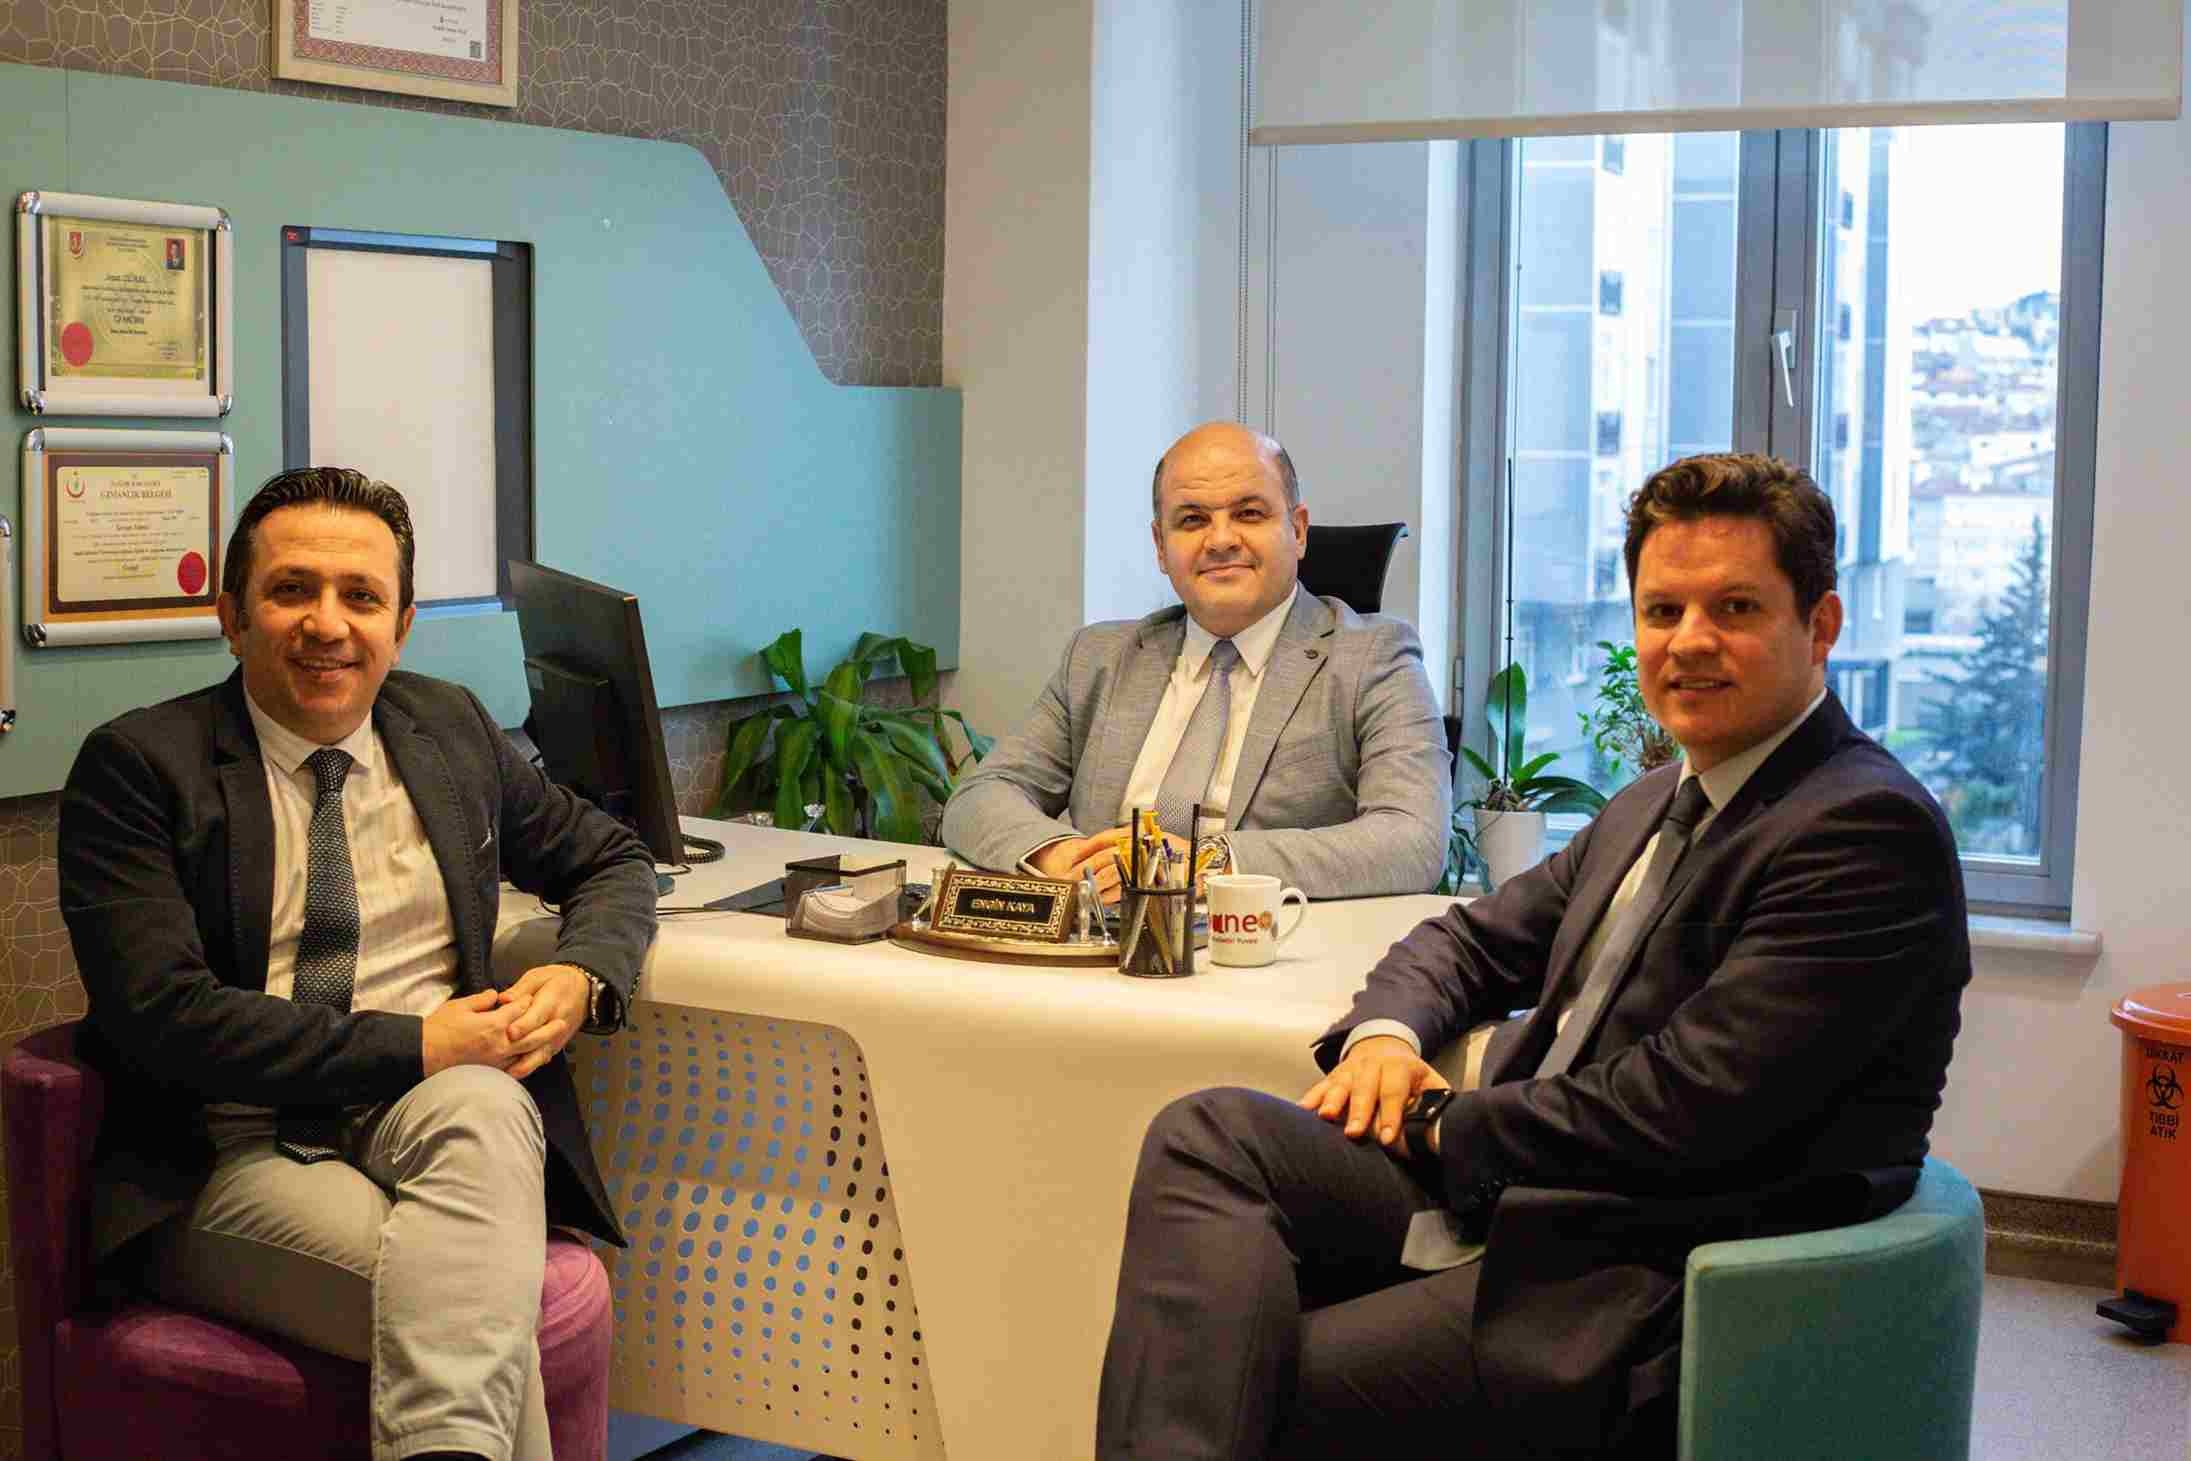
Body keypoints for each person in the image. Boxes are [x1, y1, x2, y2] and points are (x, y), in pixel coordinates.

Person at [1094, 452, 1973, 1458]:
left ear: (1819, 627)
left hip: (1643, 1266)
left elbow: (1683, 1104)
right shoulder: (1657, 799)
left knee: (1258, 1380)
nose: (1688, 641)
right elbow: (1470, 939)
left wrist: (1436, 1125)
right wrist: (1384, 1038)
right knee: (1208, 1137)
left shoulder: (1861, 829)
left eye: (1734, 608)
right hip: (1532, 1192)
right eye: (1661, 611)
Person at [59, 467, 659, 1461]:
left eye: (362, 596)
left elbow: (611, 859)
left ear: (403, 625)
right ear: (231, 615)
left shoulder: (450, 730)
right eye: (291, 590)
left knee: (487, 1105)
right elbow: (162, 1016)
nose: (327, 624)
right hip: (231, 1140)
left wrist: (582, 975)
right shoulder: (139, 768)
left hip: (431, 1111)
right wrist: (419, 1043)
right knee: (475, 1312)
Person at [941, 420, 1451, 901]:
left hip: (1269, 947)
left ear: (1298, 531)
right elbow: (983, 795)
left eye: (1249, 514)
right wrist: (1062, 857)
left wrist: (1206, 863)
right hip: (1099, 940)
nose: (1221, 540)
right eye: (1192, 520)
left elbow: (1413, 838)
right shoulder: (1098, 658)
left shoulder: (1373, 658)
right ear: (1161, 547)